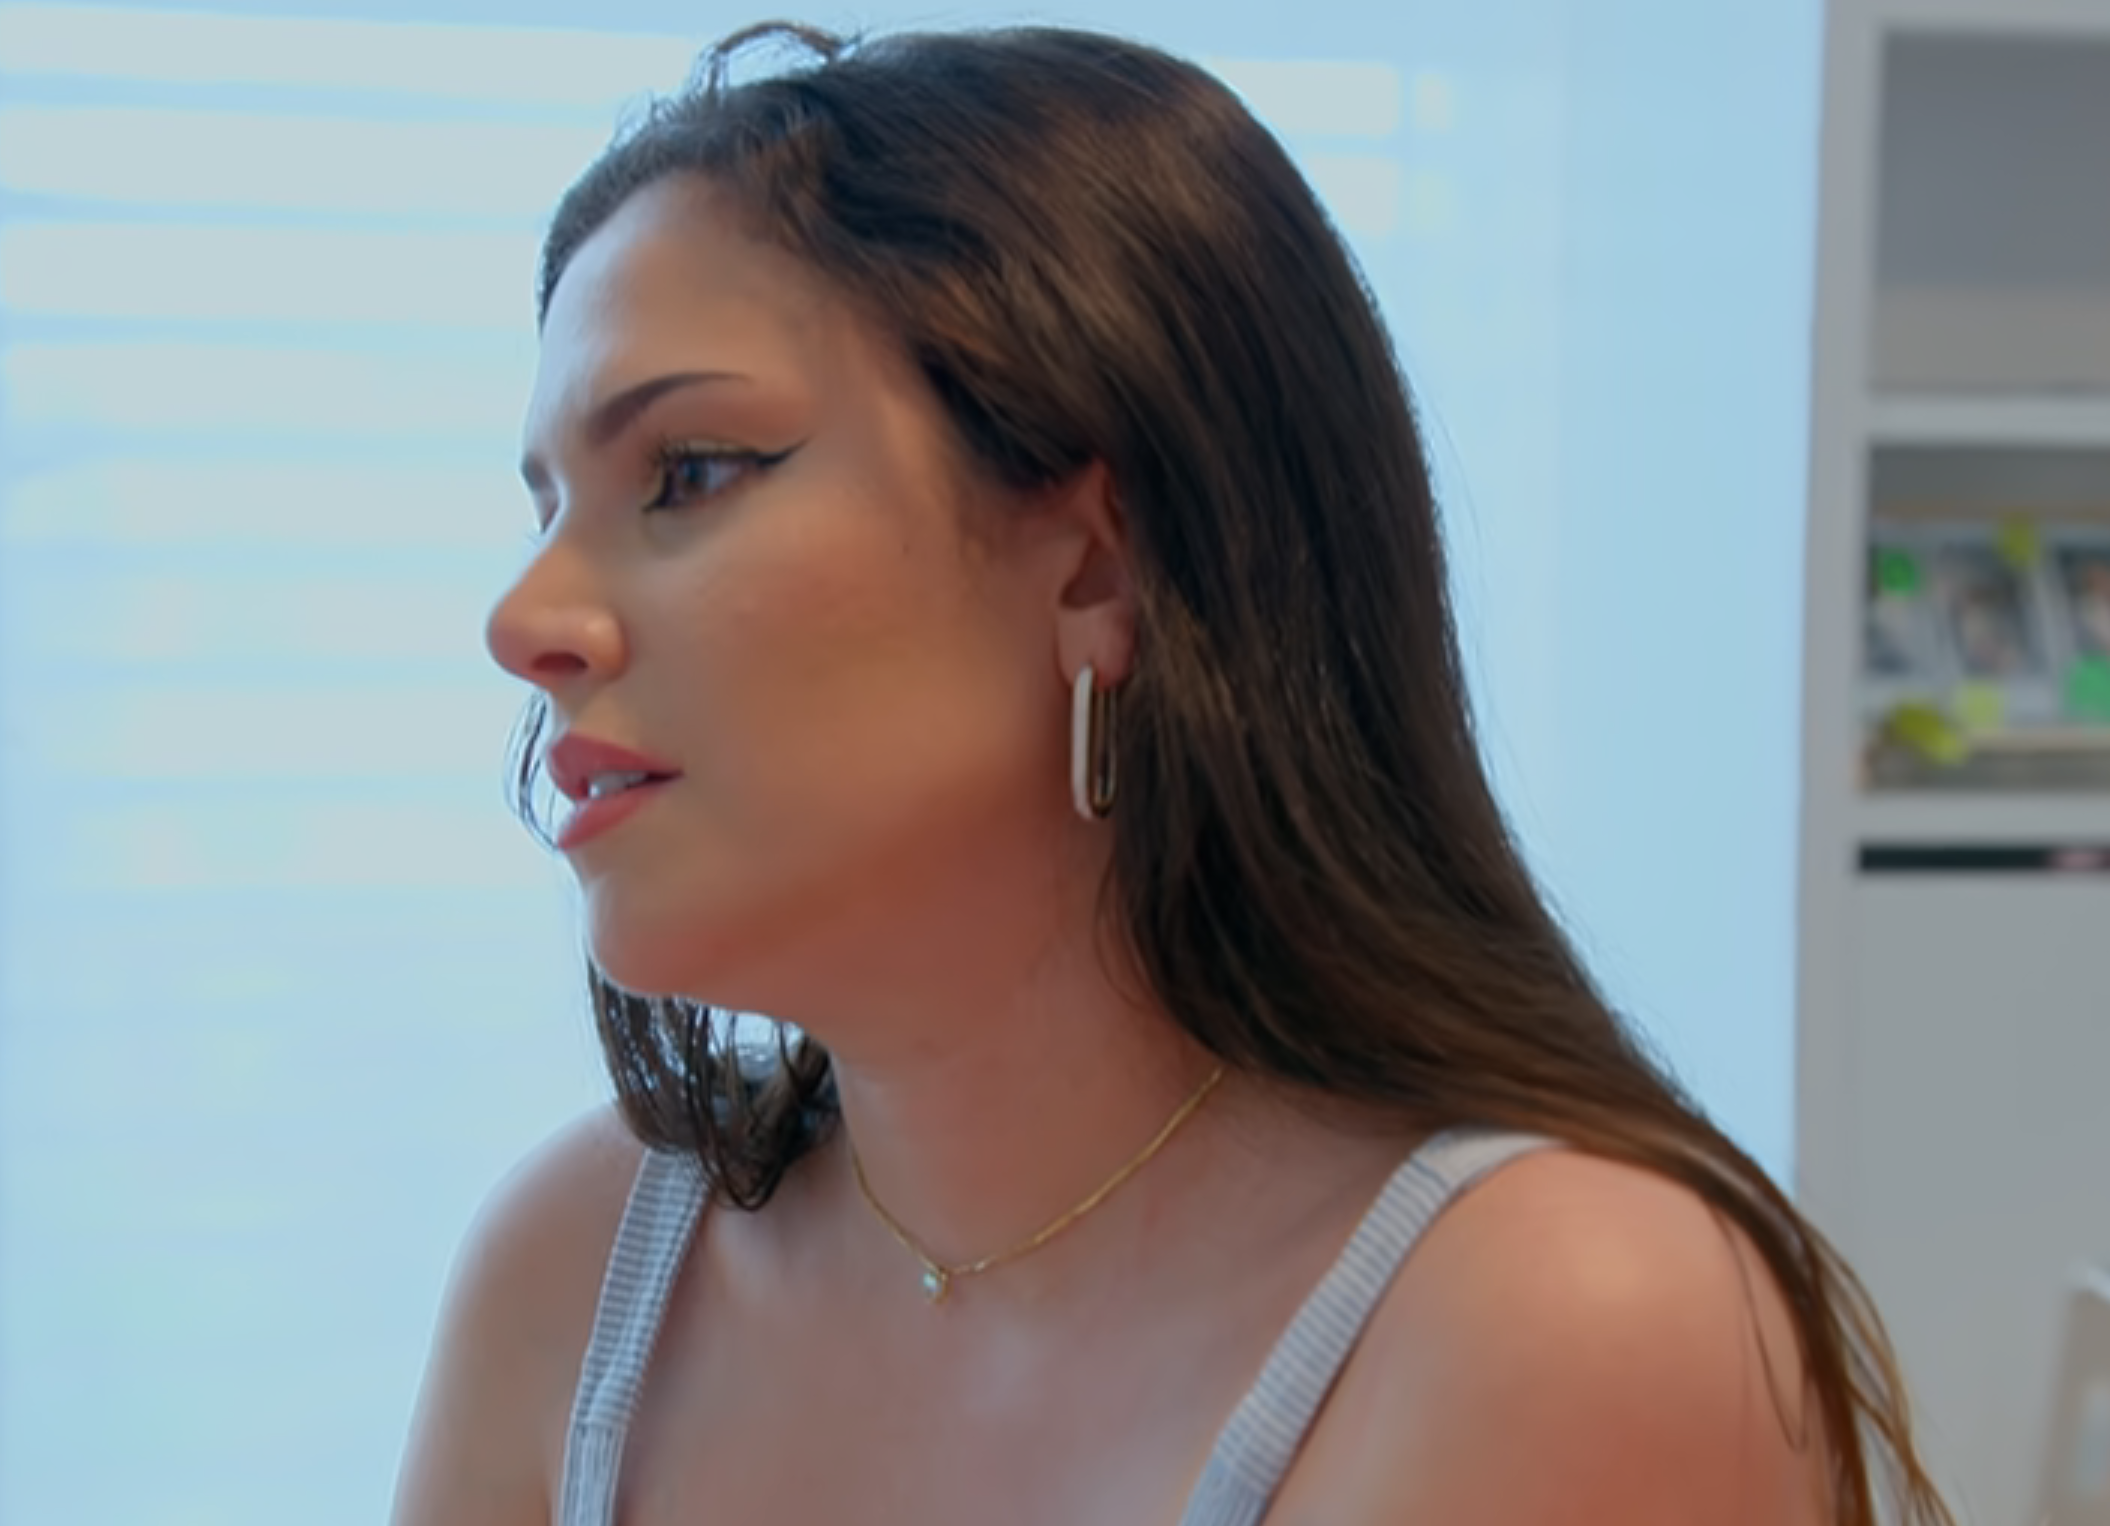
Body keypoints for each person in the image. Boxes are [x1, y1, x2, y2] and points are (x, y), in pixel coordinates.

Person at [394, 21, 1953, 1526]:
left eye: (691, 473)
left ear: (1097, 565)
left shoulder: (1556, 1319)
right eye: (547, 506)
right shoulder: (585, 1268)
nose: (527, 621)